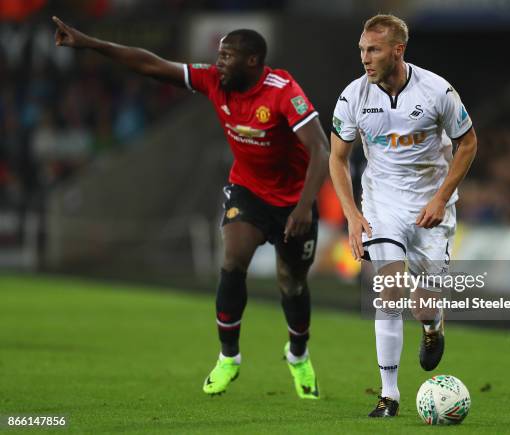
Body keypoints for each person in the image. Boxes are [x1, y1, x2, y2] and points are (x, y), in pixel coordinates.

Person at [53, 16, 329, 400]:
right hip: (247, 190)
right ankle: (228, 356)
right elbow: (151, 64)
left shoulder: (283, 91)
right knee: (232, 261)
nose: (218, 62)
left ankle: (298, 355)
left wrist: (303, 208)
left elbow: (320, 148)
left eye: (227, 56)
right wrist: (92, 43)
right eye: (218, 55)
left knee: (292, 283)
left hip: (293, 201)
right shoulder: (214, 82)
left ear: (252, 61)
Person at [329, 14, 477, 417]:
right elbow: (338, 158)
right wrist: (352, 214)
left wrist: (442, 198)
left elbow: (468, 144)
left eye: (373, 50)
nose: (364, 58)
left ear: (398, 50)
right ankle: (389, 395)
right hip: (383, 204)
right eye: (361, 50)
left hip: (431, 206)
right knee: (389, 290)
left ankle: (432, 326)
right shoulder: (353, 97)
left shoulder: (436, 91)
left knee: (423, 305)